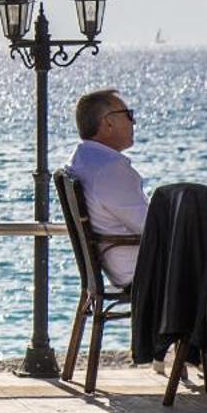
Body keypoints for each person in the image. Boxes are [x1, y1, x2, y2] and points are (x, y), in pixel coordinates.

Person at [65, 87, 148, 287]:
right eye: (128, 115)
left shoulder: (81, 160)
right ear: (108, 121)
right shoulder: (109, 169)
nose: (133, 122)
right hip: (140, 270)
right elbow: (149, 227)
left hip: (118, 266)